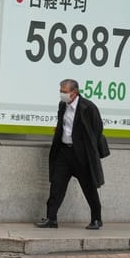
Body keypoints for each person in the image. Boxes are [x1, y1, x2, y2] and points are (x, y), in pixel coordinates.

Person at [35, 79, 105, 230]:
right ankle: (51, 218)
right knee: (56, 185)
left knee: (89, 188)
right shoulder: (62, 105)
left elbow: (97, 129)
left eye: (65, 92)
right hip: (64, 152)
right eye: (61, 91)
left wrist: (88, 149)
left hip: (81, 155)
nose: (62, 94)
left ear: (74, 93)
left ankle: (96, 219)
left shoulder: (89, 107)